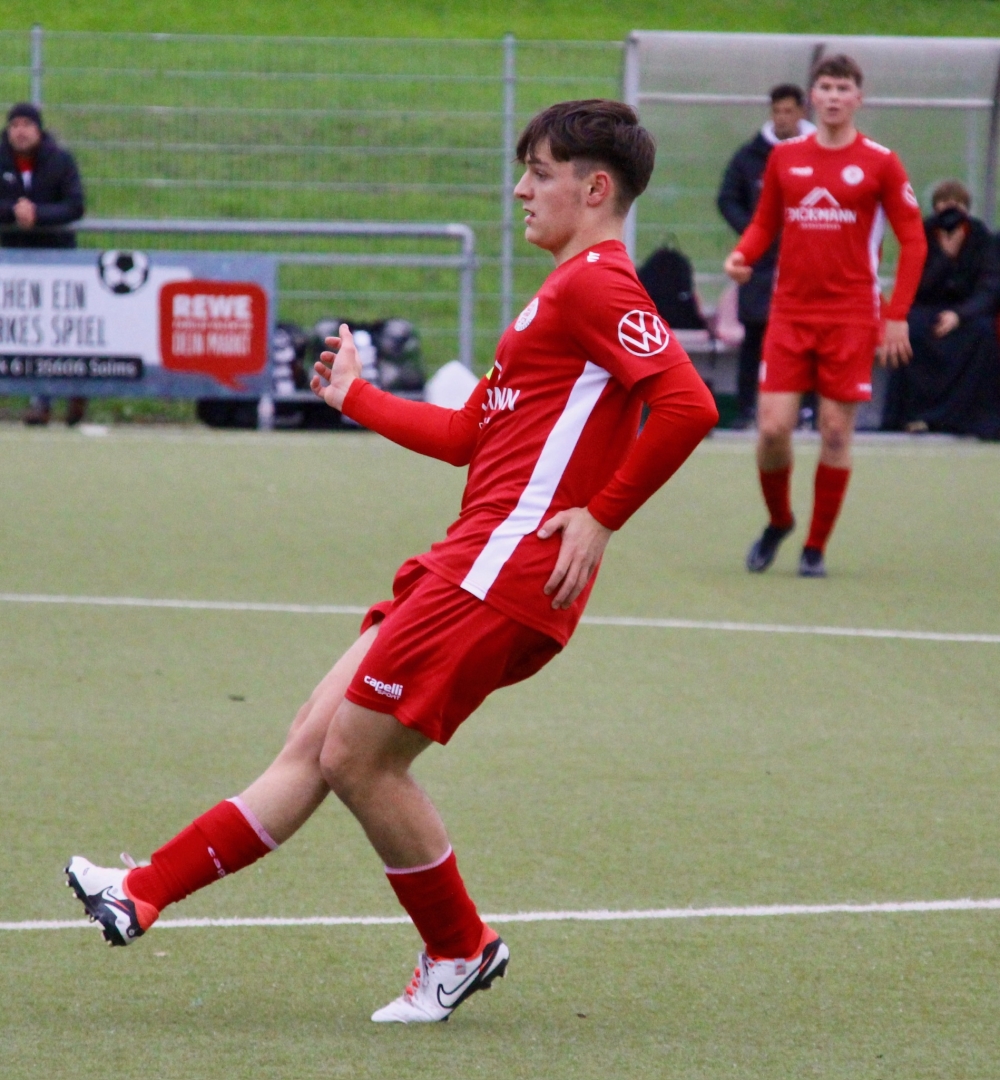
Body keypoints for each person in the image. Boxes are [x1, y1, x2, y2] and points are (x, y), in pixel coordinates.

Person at [65, 100, 718, 1023]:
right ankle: (142, 891)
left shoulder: (596, 286)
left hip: (498, 571)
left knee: (357, 758)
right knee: (316, 736)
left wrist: (601, 516)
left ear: (595, 187)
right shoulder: (558, 296)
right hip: (469, 561)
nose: (521, 190)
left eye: (539, 172)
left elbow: (688, 404)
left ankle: (459, 948)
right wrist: (356, 397)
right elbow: (465, 437)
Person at [724, 55, 927, 577]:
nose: (834, 97)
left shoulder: (881, 162)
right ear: (812, 96)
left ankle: (815, 547)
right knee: (773, 429)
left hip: (851, 315)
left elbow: (913, 240)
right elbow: (765, 222)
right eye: (826, 87)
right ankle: (779, 521)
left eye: (843, 88)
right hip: (790, 313)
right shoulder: (785, 158)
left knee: (836, 432)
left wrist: (897, 314)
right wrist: (742, 255)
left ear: (858, 98)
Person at [717, 84, 815, 428]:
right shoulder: (750, 157)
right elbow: (727, 199)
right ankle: (747, 408)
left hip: (807, 262)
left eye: (789, 111)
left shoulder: (820, 151)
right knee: (756, 334)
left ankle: (807, 409)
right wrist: (753, 233)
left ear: (802, 112)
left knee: (806, 336)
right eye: (777, 111)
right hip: (760, 265)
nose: (782, 118)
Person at [882, 179, 1000, 439]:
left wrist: (960, 314)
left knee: (983, 335)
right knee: (911, 333)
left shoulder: (981, 237)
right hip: (928, 307)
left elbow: (989, 286)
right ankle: (913, 414)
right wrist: (946, 257)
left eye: (957, 204)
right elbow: (916, 283)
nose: (951, 210)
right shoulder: (922, 234)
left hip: (966, 312)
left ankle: (971, 416)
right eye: (944, 203)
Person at [0, 102, 87, 426]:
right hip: (13, 260)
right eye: (15, 125)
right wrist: (12, 212)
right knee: (20, 330)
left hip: (56, 259)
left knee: (58, 329)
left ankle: (71, 391)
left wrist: (38, 215)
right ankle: (38, 399)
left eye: (27, 125)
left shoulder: (60, 160)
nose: (20, 131)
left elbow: (75, 205)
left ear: (38, 130)